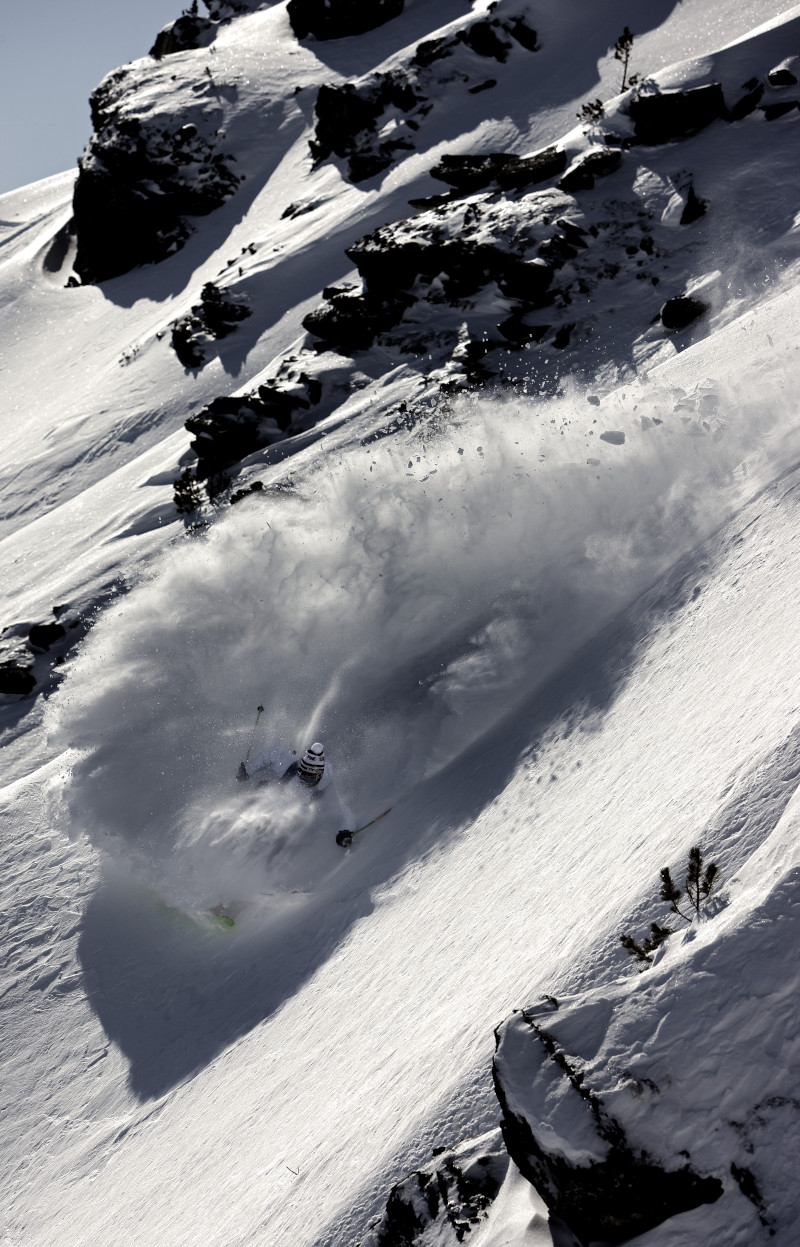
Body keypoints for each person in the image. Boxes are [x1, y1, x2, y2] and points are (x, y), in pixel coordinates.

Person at [237, 740, 352, 831]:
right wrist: (247, 770)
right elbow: (271, 753)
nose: (305, 781)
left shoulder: (325, 786)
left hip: (291, 814)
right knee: (264, 791)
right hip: (277, 792)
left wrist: (345, 831)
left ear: (319, 777)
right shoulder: (288, 766)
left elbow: (341, 813)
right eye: (302, 775)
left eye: (310, 779)